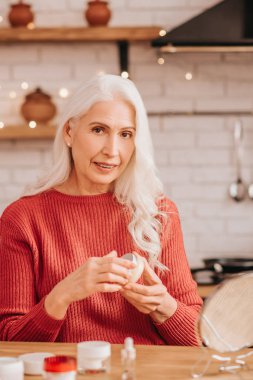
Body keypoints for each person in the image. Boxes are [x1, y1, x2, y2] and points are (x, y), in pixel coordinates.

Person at [0, 74, 202, 345]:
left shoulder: (159, 212)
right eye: (98, 130)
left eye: (126, 134)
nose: (112, 150)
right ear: (70, 133)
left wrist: (163, 306)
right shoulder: (22, 219)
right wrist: (62, 296)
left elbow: (200, 340)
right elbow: (9, 343)